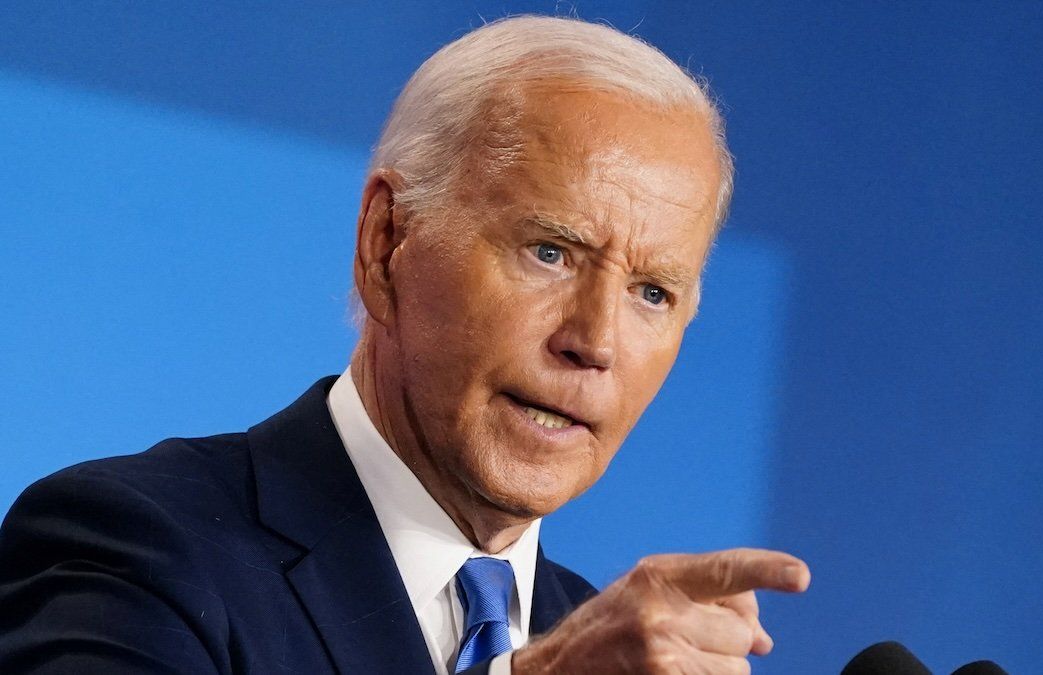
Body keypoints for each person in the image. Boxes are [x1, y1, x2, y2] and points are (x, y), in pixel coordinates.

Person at [0, 15, 809, 674]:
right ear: (388, 240)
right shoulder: (137, 548)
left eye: (652, 292)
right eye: (550, 252)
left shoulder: (598, 642)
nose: (593, 341)